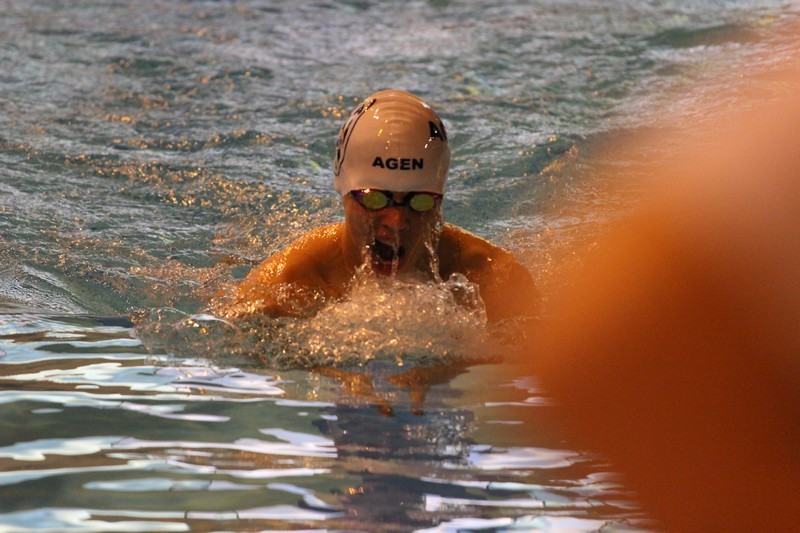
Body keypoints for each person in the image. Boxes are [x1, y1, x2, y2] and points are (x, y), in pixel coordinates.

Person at [224, 89, 539, 323]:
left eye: (420, 201)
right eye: (375, 199)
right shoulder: (282, 286)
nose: (397, 221)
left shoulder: (495, 282)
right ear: (345, 190)